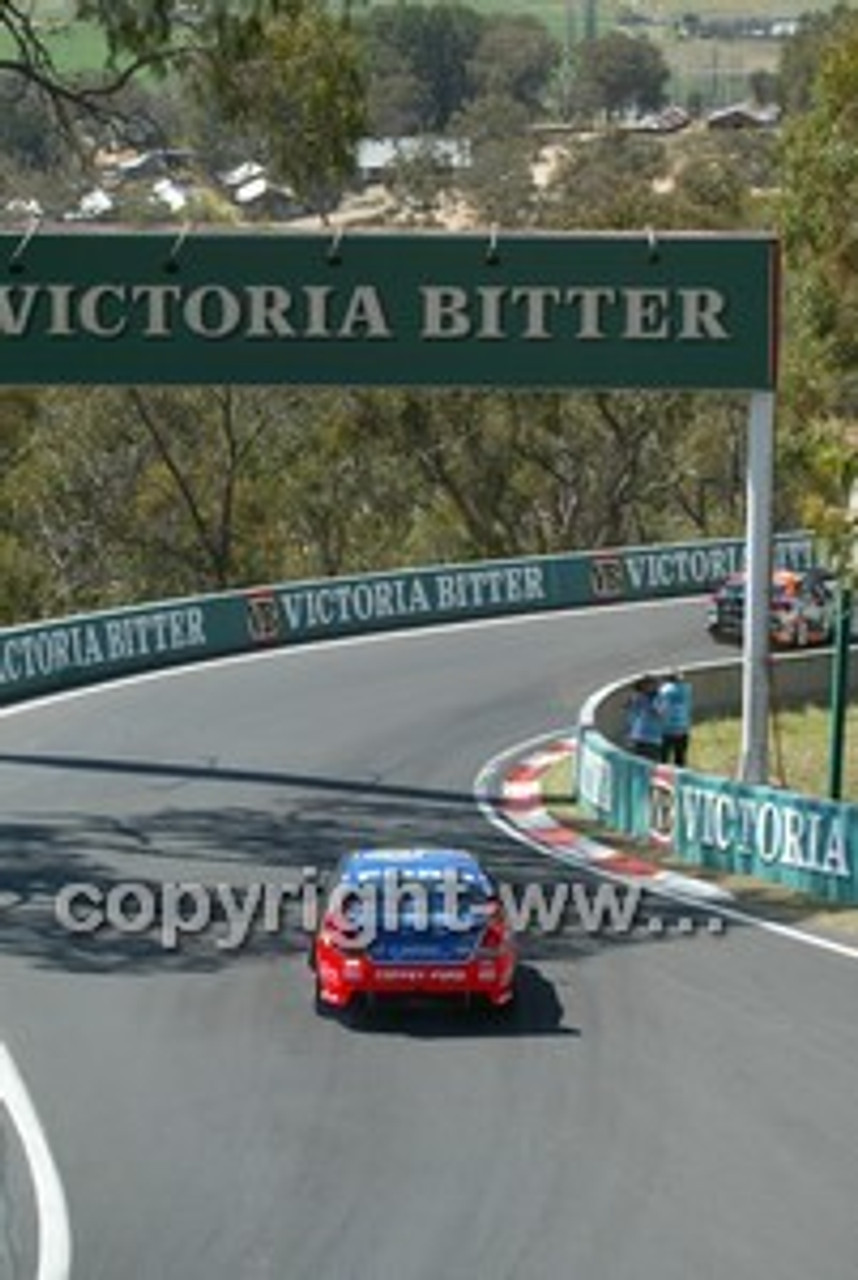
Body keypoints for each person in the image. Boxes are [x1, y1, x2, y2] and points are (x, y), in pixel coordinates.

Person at [657, 669, 692, 767]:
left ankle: (662, 780)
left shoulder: (664, 690)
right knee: (680, 759)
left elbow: (659, 707)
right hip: (683, 728)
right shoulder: (687, 688)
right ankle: (680, 779)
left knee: (663, 759)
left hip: (667, 729)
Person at [625, 674, 663, 762]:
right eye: (648, 685)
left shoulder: (659, 698)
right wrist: (629, 736)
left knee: (651, 766)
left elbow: (660, 714)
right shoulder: (637, 698)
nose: (652, 687)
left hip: (653, 740)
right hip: (638, 737)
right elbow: (631, 717)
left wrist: (651, 706)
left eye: (653, 684)